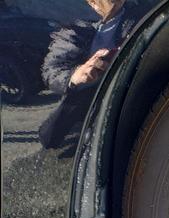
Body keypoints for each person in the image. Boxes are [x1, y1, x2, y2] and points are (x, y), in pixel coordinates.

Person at [39, 0, 141, 148]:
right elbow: (51, 70)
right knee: (49, 137)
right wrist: (75, 75)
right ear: (93, 3)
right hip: (86, 97)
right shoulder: (74, 30)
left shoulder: (138, 12)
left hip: (128, 89)